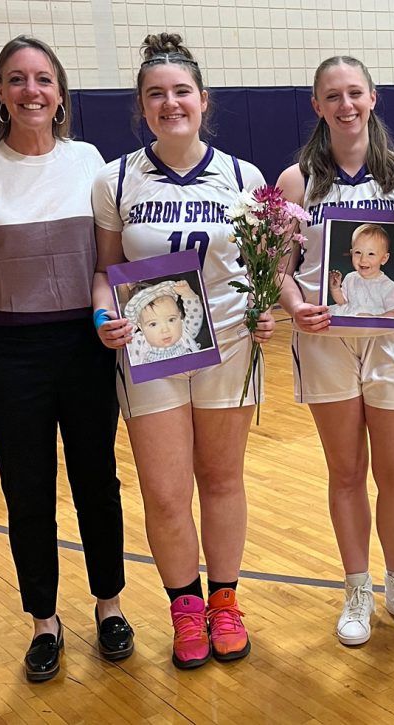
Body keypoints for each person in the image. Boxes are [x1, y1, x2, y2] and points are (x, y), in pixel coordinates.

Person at [0, 35, 132, 683]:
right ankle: (45, 622)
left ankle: (109, 605)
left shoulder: (91, 164)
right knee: (27, 492)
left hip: (83, 347)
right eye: (17, 80)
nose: (31, 91)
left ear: (61, 94)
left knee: (96, 485)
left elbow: (111, 260)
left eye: (44, 79)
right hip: (10, 354)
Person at [91, 33, 274, 669]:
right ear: (142, 106)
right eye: (155, 95)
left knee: (222, 480)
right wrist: (101, 314)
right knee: (166, 493)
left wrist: (264, 308)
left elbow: (259, 267)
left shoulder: (244, 177)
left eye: (181, 92)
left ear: (204, 100)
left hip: (225, 343)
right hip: (152, 349)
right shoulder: (115, 178)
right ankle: (185, 609)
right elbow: (104, 269)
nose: (170, 103)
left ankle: (225, 601)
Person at [276, 56, 394, 646]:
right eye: (332, 96)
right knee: (345, 473)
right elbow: (280, 271)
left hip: (392, 344)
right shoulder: (297, 183)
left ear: (373, 97)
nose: (345, 105)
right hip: (325, 345)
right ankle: (357, 588)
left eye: (354, 93)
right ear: (316, 105)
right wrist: (296, 308)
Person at [328, 223, 394, 317]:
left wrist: (373, 319)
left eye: (371, 254)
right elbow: (343, 302)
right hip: (351, 317)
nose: (363, 259)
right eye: (358, 252)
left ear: (384, 258)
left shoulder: (389, 287)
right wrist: (335, 288)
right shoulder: (350, 277)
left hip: (375, 327)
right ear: (351, 253)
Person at [124, 279, 206, 364]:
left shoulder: (183, 332)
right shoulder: (140, 341)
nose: (165, 330)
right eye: (153, 324)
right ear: (141, 327)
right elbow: (128, 344)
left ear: (179, 316)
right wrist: (130, 327)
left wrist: (188, 294)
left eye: (171, 320)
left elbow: (195, 315)